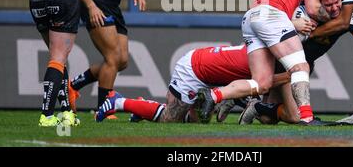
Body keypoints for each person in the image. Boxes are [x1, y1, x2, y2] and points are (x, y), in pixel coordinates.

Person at [194, 0, 331, 125]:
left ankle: (213, 95)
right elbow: (313, 8)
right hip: (271, 16)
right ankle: (307, 117)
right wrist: (337, 14)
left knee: (262, 83)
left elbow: (256, 4)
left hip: (251, 18)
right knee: (300, 67)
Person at [218, 0, 353, 125]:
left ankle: (251, 103)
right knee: (296, 116)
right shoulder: (302, 15)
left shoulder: (349, 19)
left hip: (299, 69)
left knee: (267, 119)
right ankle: (244, 94)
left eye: (337, 2)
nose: (335, 8)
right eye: (328, 5)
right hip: (286, 67)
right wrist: (293, 25)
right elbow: (274, 32)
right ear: (317, 4)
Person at [94, 44, 291, 123]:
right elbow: (263, 83)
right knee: (169, 119)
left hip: (207, 72)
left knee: (198, 122)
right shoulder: (265, 62)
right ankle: (117, 102)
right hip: (193, 70)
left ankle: (142, 107)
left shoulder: (261, 50)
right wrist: (293, 74)